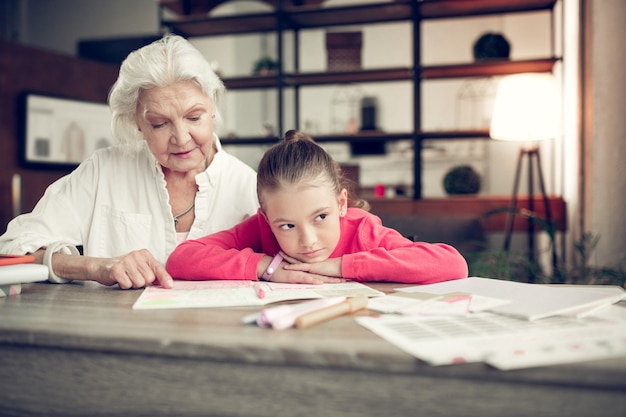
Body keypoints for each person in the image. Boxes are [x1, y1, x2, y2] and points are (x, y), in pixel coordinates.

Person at [0, 35, 259, 289]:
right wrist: (95, 267)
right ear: (136, 122)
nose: (181, 139)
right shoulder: (104, 170)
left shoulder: (250, 187)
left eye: (194, 118)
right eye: (159, 123)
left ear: (212, 105)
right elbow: (13, 248)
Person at [166, 130, 468, 284]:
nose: (308, 241)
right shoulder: (260, 229)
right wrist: (267, 268)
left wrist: (341, 266)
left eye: (321, 217)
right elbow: (181, 259)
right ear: (267, 218)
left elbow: (453, 264)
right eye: (287, 226)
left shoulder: (362, 229)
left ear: (341, 203)